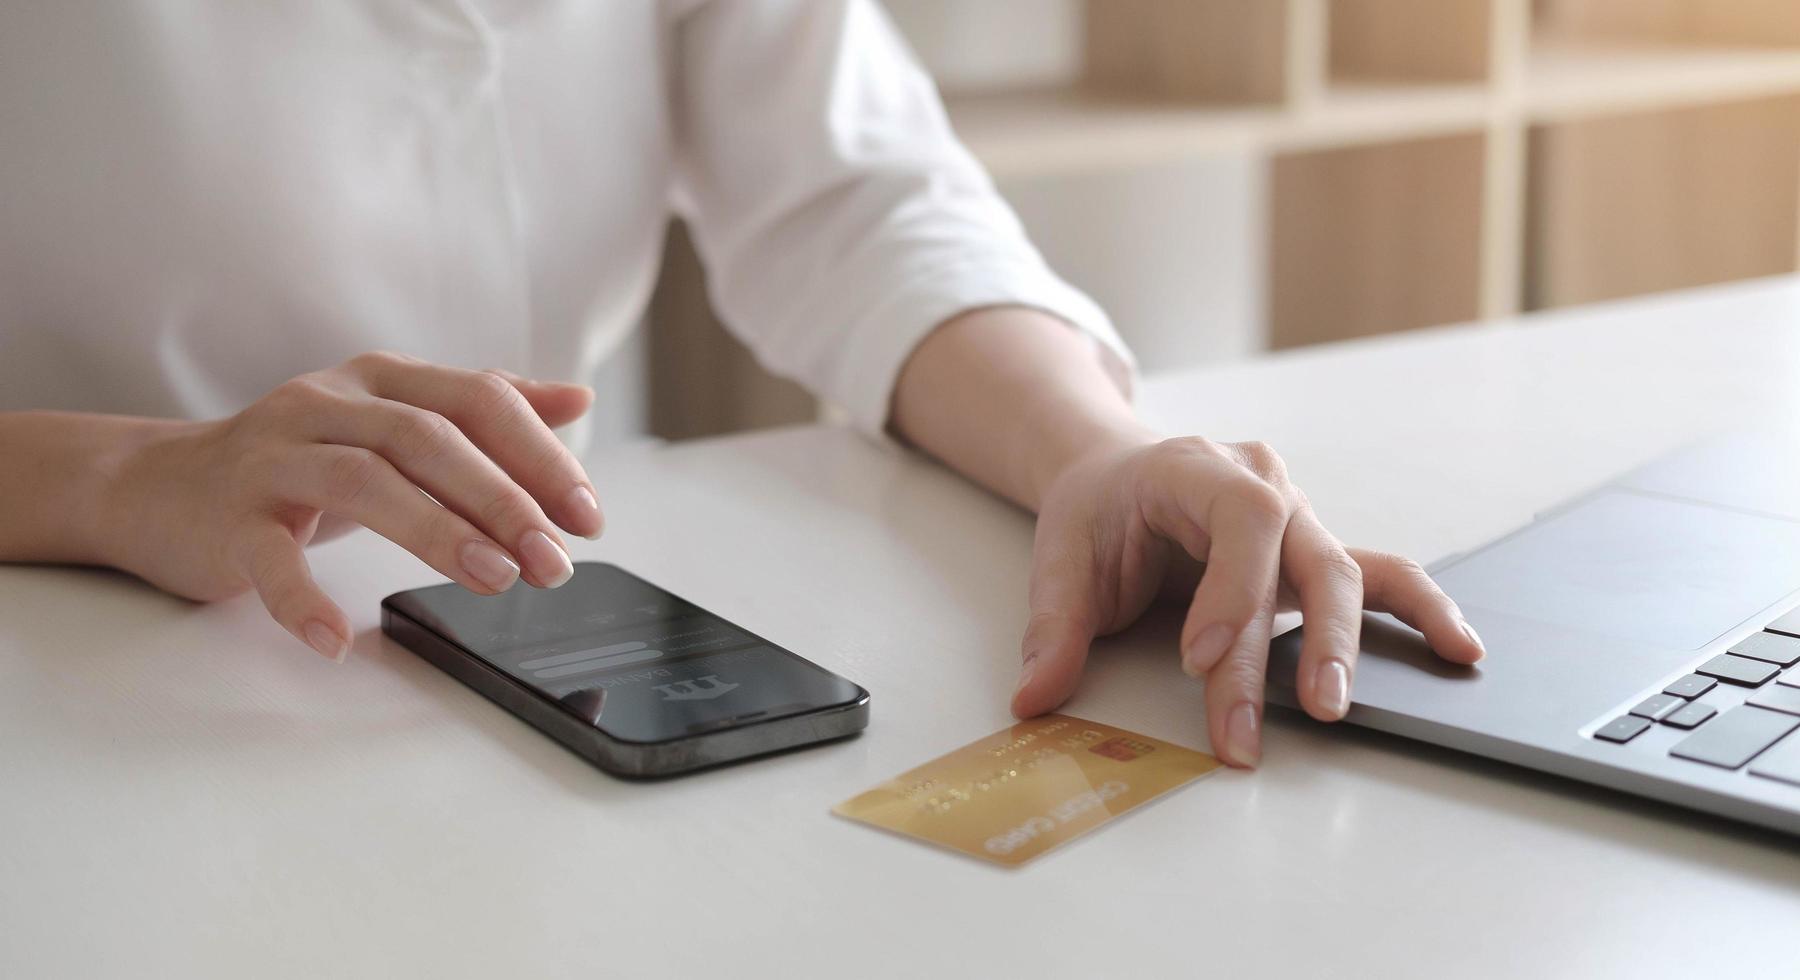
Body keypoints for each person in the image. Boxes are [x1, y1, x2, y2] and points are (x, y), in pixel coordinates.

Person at [0, 1, 1481, 768]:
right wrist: (120, 477)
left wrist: (1091, 452)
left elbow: (852, 196)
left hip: (529, 647)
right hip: (70, 673)